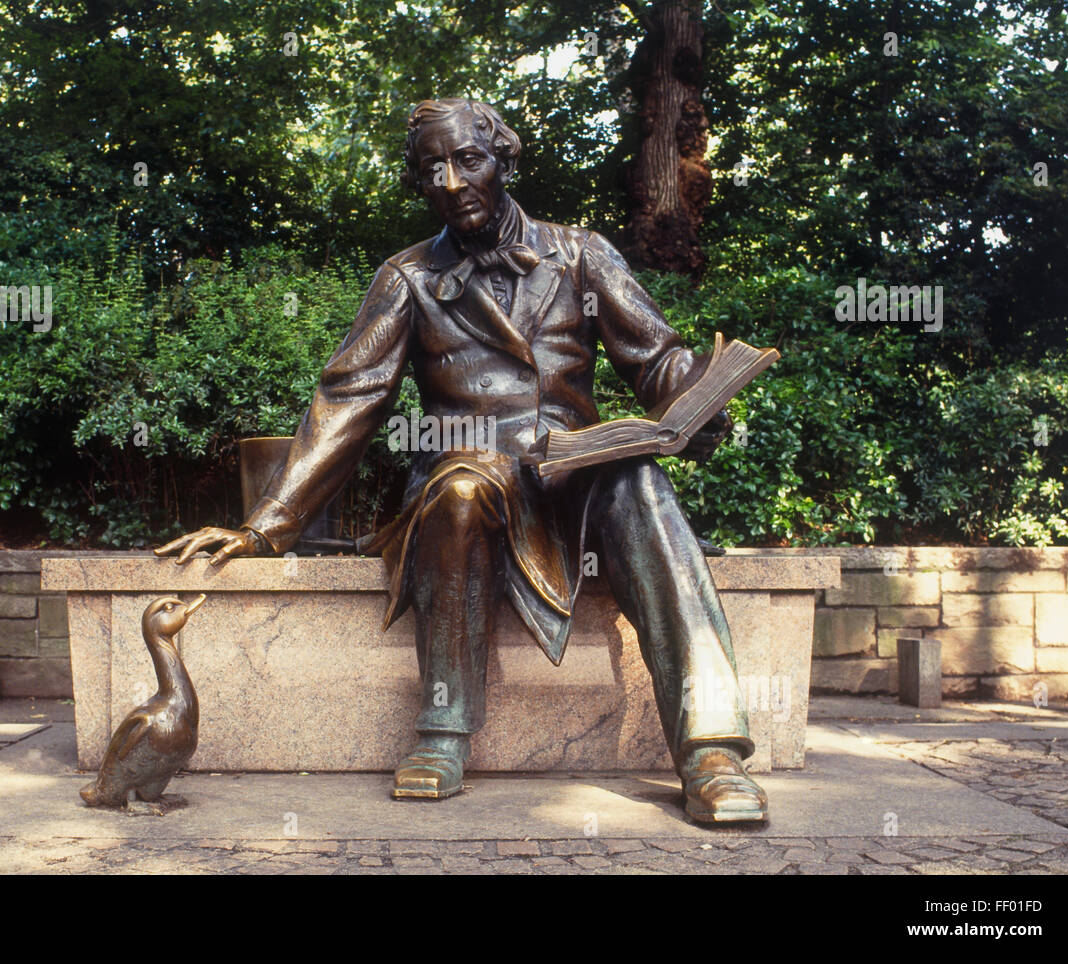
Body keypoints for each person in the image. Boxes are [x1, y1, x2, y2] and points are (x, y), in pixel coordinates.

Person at [155, 98, 767, 823]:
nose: (450, 180)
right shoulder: (407, 278)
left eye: (467, 160)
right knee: (457, 494)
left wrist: (696, 400)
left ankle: (711, 750)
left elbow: (656, 357)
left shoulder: (581, 253)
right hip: (470, 470)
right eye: (431, 169)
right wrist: (268, 524)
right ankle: (442, 731)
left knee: (638, 480)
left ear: (503, 161)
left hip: (576, 470)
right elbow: (349, 399)